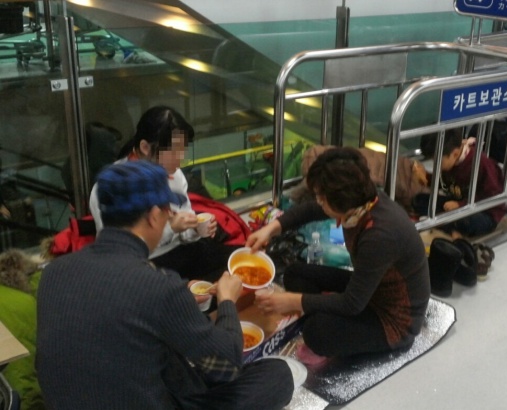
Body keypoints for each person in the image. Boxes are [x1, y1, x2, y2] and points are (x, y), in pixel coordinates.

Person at [36, 160, 294, 410]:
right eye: (168, 210)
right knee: (277, 375)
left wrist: (181, 300)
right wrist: (227, 300)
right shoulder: (159, 286)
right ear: (153, 216)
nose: (171, 215)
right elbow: (226, 366)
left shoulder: (53, 273)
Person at [247, 147, 430, 362]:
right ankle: (328, 315)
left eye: (321, 198)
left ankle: (329, 321)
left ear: (340, 200)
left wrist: (292, 301)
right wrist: (271, 229)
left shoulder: (379, 235)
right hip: (372, 290)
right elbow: (310, 210)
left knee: (316, 332)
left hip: (395, 320)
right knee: (295, 273)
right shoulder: (360, 201)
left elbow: (352, 304)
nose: (319, 202)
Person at [89, 106, 239, 283]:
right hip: (141, 263)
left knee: (235, 265)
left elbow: (184, 232)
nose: (180, 158)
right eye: (173, 151)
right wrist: (171, 228)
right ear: (145, 147)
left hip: (180, 252)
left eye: (183, 149)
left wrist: (194, 229)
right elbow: (118, 252)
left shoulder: (175, 174)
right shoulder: (111, 186)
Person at [414, 128, 506, 238]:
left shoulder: (481, 163)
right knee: (419, 199)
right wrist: (425, 177)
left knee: (465, 221)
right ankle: (446, 225)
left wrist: (461, 205)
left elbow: (493, 196)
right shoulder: (450, 161)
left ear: (455, 154)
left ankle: (446, 226)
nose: (435, 165)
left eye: (436, 161)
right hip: (458, 202)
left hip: (484, 212)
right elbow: (443, 184)